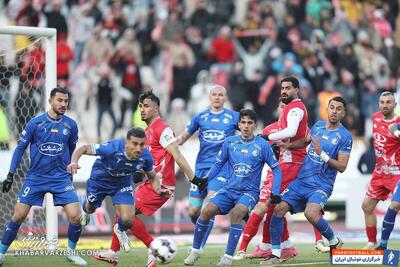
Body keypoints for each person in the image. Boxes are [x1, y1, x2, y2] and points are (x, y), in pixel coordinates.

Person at [95, 90, 205, 266]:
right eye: (140, 106)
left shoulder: (163, 129)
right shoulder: (147, 131)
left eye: (146, 106)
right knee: (122, 212)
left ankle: (153, 249)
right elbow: (151, 160)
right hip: (150, 182)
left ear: (157, 108)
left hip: (160, 186)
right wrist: (140, 172)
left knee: (125, 214)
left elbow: (176, 153)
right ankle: (113, 253)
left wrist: (193, 178)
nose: (142, 110)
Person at [184, 109, 282, 266]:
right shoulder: (230, 142)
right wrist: (205, 179)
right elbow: (218, 164)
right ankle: (195, 251)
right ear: (239, 124)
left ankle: (228, 257)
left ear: (255, 125)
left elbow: (276, 168)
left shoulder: (262, 145)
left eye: (250, 123)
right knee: (206, 210)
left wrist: (275, 192)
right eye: (243, 122)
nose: (246, 126)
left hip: (249, 192)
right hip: (228, 189)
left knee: (237, 213)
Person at [0, 87, 86, 266]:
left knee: (76, 216)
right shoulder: (35, 123)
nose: (63, 104)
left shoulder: (71, 125)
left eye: (65, 101)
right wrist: (11, 174)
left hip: (61, 178)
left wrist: (70, 169)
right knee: (18, 216)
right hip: (36, 178)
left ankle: (71, 252)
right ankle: (1, 253)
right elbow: (20, 148)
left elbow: (71, 149)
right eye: (59, 100)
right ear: (50, 101)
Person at [261, 96, 352, 264]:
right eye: (332, 107)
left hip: (322, 185)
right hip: (302, 181)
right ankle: (275, 254)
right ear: (327, 108)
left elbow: (342, 166)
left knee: (311, 213)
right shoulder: (317, 126)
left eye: (339, 109)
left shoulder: (345, 136)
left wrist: (322, 154)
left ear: (343, 113)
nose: (334, 111)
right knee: (278, 210)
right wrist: (289, 145)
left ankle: (333, 241)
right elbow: (305, 141)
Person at [235, 76, 310, 261]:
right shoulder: (281, 117)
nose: (284, 91)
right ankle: (280, 247)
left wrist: (269, 137)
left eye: (288, 88)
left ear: (297, 90)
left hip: (292, 164)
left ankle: (262, 249)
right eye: (282, 88)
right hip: (281, 166)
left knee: (267, 205)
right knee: (274, 207)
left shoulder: (295, 109)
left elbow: (293, 133)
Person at [67, 127, 158, 254]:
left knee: (128, 219)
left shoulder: (146, 157)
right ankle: (86, 211)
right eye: (135, 144)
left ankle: (120, 230)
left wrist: (158, 190)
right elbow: (83, 148)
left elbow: (152, 176)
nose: (139, 148)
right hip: (100, 180)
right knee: (90, 207)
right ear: (126, 143)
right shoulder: (111, 148)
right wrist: (73, 162)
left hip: (121, 183)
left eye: (142, 144)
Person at [176, 85, 239, 249]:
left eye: (220, 95)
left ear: (225, 98)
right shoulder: (200, 117)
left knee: (209, 206)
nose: (217, 97)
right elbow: (182, 138)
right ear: (209, 97)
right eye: (214, 94)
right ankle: (200, 230)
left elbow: (248, 131)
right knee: (193, 212)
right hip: (200, 169)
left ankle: (198, 247)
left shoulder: (233, 117)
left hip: (221, 170)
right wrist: (169, 142)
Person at [361, 91, 400, 249]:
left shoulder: (398, 122)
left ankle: (383, 245)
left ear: (395, 105)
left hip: (397, 173)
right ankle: (372, 242)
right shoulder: (375, 117)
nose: (385, 105)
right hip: (379, 172)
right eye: (382, 102)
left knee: (395, 205)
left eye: (388, 102)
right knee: (367, 206)